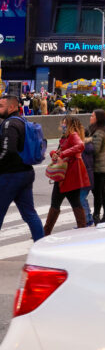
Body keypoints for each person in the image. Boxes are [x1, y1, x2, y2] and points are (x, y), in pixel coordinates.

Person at [0, 91, 43, 243]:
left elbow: (8, 149)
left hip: (10, 175)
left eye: (1, 106)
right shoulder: (23, 121)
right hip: (26, 172)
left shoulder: (9, 124)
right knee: (29, 213)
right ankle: (41, 246)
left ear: (11, 107)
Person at [44, 116, 89, 234]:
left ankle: (45, 232)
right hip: (66, 174)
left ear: (70, 125)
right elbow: (63, 150)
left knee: (62, 202)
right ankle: (82, 229)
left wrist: (62, 154)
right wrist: (54, 153)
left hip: (69, 174)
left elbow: (80, 146)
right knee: (69, 202)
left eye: (65, 123)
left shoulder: (73, 135)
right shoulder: (67, 136)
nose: (62, 125)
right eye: (62, 123)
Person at [85, 108, 105, 224]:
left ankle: (97, 215)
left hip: (100, 167)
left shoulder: (99, 132)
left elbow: (95, 150)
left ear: (98, 119)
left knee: (98, 192)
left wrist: (85, 141)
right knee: (101, 191)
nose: (90, 118)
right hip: (100, 166)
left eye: (92, 116)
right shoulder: (96, 130)